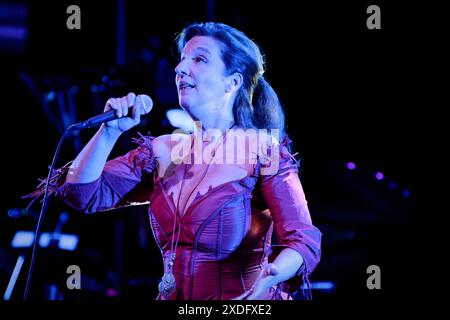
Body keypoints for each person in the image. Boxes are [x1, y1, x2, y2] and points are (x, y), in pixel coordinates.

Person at [27, 22, 321, 300]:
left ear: (232, 82)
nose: (180, 68)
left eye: (199, 60)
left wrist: (273, 273)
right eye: (182, 60)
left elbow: (303, 240)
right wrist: (109, 132)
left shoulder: (263, 152)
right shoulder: (163, 150)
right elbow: (82, 194)